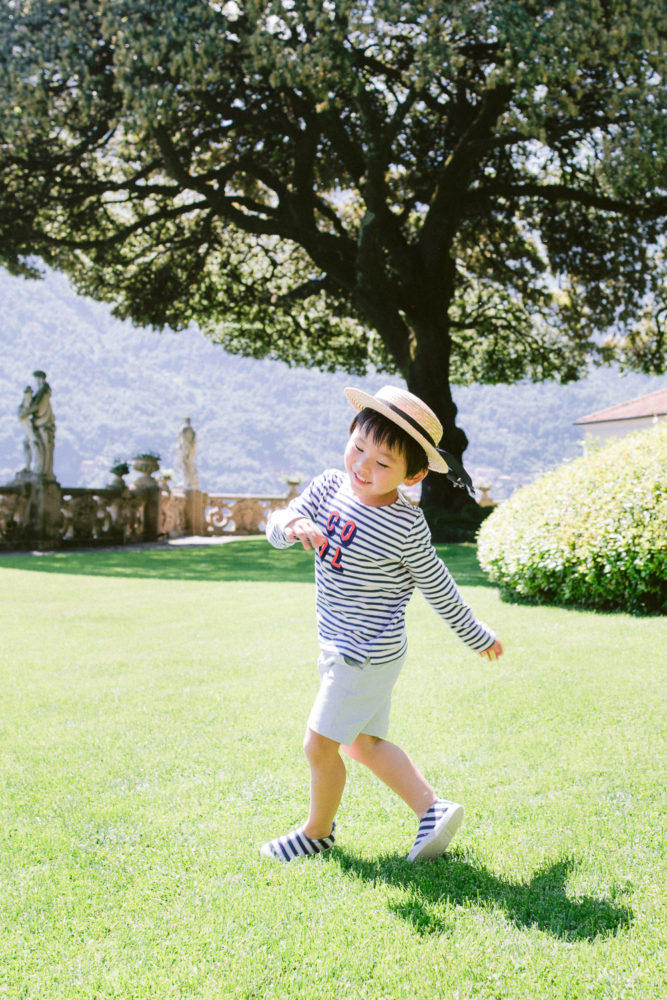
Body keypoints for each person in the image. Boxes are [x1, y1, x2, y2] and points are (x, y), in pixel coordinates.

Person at [261, 385, 503, 863]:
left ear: (413, 474)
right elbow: (277, 521)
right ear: (350, 434)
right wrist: (291, 526)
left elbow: (438, 585)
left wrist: (477, 635)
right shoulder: (329, 486)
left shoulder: (405, 525)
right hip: (338, 646)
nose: (363, 466)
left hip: (367, 651)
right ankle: (432, 810)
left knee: (319, 745)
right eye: (358, 448)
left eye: (383, 463)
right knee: (363, 744)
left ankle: (316, 833)